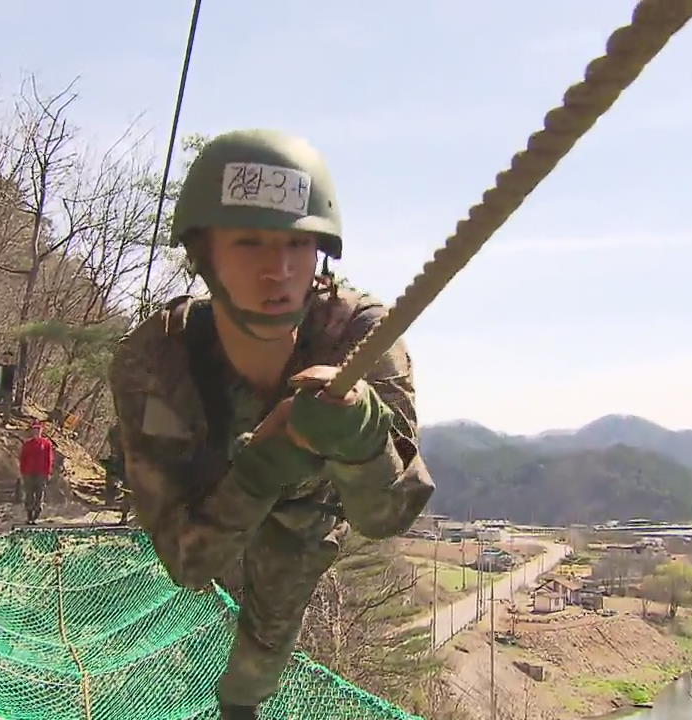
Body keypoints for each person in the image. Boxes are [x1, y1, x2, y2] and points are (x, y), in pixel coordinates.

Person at [107, 129, 434, 718]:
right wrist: (259, 467)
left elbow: (386, 516)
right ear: (204, 254)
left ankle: (238, 706)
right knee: (190, 617)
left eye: (297, 245)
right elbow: (188, 561)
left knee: (264, 642)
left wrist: (361, 438)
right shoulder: (155, 358)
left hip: (306, 517)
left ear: (321, 254)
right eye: (249, 243)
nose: (278, 270)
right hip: (209, 498)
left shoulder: (363, 338)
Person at [17, 420, 53, 525]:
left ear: (41, 430)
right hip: (29, 472)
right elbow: (22, 459)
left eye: (38, 429)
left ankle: (36, 515)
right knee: (29, 494)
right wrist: (23, 471)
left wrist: (48, 472)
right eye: (34, 429)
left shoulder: (46, 444)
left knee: (39, 494)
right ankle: (29, 515)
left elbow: (49, 459)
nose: (36, 431)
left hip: (41, 473)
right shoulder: (27, 444)